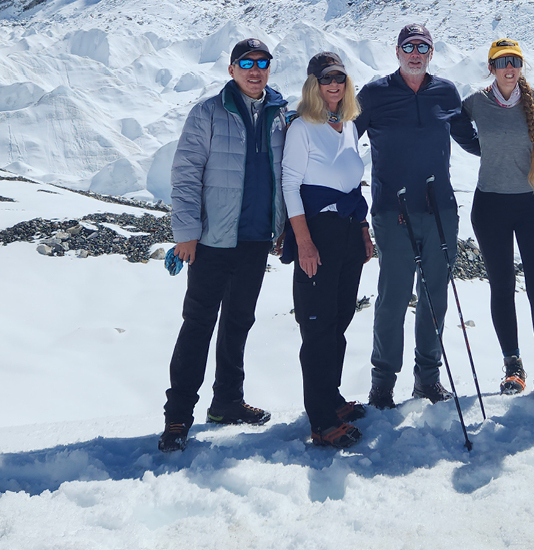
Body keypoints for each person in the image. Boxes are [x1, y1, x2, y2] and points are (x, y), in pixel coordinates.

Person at [159, 38, 289, 452]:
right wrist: (185, 235)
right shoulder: (208, 113)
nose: (255, 70)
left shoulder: (279, 114)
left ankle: (227, 402)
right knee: (198, 325)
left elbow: (285, 172)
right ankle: (178, 416)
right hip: (212, 241)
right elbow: (185, 173)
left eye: (262, 63)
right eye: (246, 63)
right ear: (231, 70)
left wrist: (281, 224)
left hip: (255, 238)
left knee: (238, 322)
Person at [356, 23, 480, 409]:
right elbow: (341, 143)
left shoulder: (445, 92)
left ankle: (427, 379)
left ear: (430, 53)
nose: (415, 53)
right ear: (396, 51)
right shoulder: (374, 94)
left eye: (422, 47)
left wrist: (517, 144)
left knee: (435, 295)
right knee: (393, 297)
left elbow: (472, 140)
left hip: (440, 208)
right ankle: (382, 385)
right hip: (393, 211)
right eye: (408, 46)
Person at [460, 38, 534, 408]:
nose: (509, 68)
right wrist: (483, 149)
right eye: (502, 62)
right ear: (491, 67)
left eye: (515, 62)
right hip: (490, 205)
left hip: (532, 204)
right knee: (502, 286)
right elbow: (455, 124)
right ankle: (513, 366)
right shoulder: (477, 102)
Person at [280, 51, 375, 449]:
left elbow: (352, 182)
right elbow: (290, 184)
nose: (334, 85)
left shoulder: (347, 124)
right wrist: (302, 240)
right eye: (326, 79)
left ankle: (332, 399)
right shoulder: (303, 127)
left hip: (349, 231)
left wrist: (364, 232)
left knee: (339, 320)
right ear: (313, 84)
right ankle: (320, 420)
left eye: (339, 78)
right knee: (317, 327)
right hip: (317, 232)